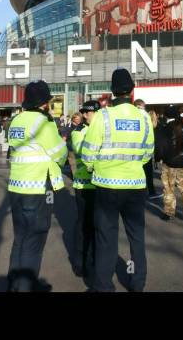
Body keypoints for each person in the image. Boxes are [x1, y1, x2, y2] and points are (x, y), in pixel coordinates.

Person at [82, 68, 154, 292]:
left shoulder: (103, 116)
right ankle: (137, 283)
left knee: (106, 237)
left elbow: (88, 153)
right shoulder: (143, 116)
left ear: (112, 92)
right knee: (136, 236)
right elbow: (148, 152)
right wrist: (132, 164)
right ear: (132, 90)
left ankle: (103, 285)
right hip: (135, 185)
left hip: (107, 185)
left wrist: (95, 168)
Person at [7, 81, 67, 291]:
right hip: (38, 187)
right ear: (44, 103)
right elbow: (60, 153)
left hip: (16, 187)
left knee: (20, 239)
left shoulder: (15, 121)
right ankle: (25, 287)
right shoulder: (43, 123)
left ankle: (14, 286)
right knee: (34, 242)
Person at [70, 100, 99, 280]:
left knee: (98, 225)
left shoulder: (104, 129)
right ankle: (80, 261)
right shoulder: (78, 131)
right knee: (83, 225)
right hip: (84, 184)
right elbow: (81, 150)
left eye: (88, 113)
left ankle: (96, 259)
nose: (85, 116)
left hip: (101, 184)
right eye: (85, 113)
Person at [155, 105, 183, 221]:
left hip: (169, 163)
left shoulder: (164, 128)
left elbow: (160, 146)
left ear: (166, 115)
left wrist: (158, 158)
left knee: (169, 188)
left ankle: (169, 212)